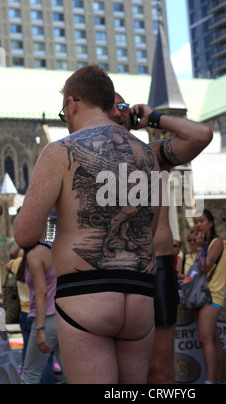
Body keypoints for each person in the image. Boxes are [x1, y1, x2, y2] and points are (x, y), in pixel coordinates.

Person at [14, 65, 161, 384]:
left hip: (87, 293)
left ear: (72, 103)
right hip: (139, 296)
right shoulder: (147, 157)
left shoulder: (60, 151)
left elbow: (25, 233)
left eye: (64, 109)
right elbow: (148, 229)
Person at [109, 92, 213, 383]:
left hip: (156, 269)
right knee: (113, 373)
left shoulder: (152, 154)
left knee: (159, 372)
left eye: (123, 107)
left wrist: (154, 118)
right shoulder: (83, 160)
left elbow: (201, 135)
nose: (117, 113)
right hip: (110, 273)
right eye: (109, 108)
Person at [20, 240, 65, 384]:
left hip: (46, 318)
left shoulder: (34, 255)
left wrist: (40, 328)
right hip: (63, 317)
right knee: (72, 374)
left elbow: (41, 293)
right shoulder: (54, 248)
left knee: (29, 376)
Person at [193, 209, 226, 384]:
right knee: (213, 339)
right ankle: (219, 378)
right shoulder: (208, 243)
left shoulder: (216, 242)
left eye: (201, 221)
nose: (198, 224)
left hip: (212, 295)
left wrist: (199, 249)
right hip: (208, 294)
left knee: (205, 338)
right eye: (196, 221)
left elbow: (204, 267)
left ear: (211, 223)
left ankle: (211, 380)